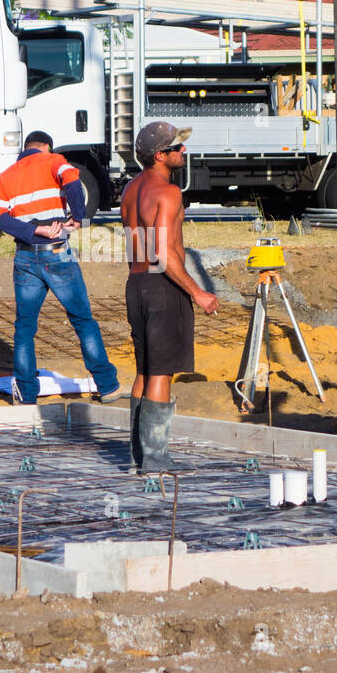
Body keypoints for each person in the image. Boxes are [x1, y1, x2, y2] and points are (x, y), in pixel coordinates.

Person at [0, 130, 124, 406]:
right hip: (57, 254)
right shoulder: (53, 161)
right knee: (83, 320)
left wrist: (32, 229)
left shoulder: (7, 176)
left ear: (25, 148)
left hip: (25, 257)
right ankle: (107, 386)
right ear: (46, 147)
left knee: (25, 327)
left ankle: (26, 394)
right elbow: (73, 182)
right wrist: (78, 217)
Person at [121, 121, 219, 473]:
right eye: (177, 148)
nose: (184, 152)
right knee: (161, 373)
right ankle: (156, 458)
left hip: (136, 283)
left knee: (145, 371)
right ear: (160, 156)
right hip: (164, 287)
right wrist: (198, 293)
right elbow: (163, 253)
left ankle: (138, 455)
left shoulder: (130, 190)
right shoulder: (169, 193)